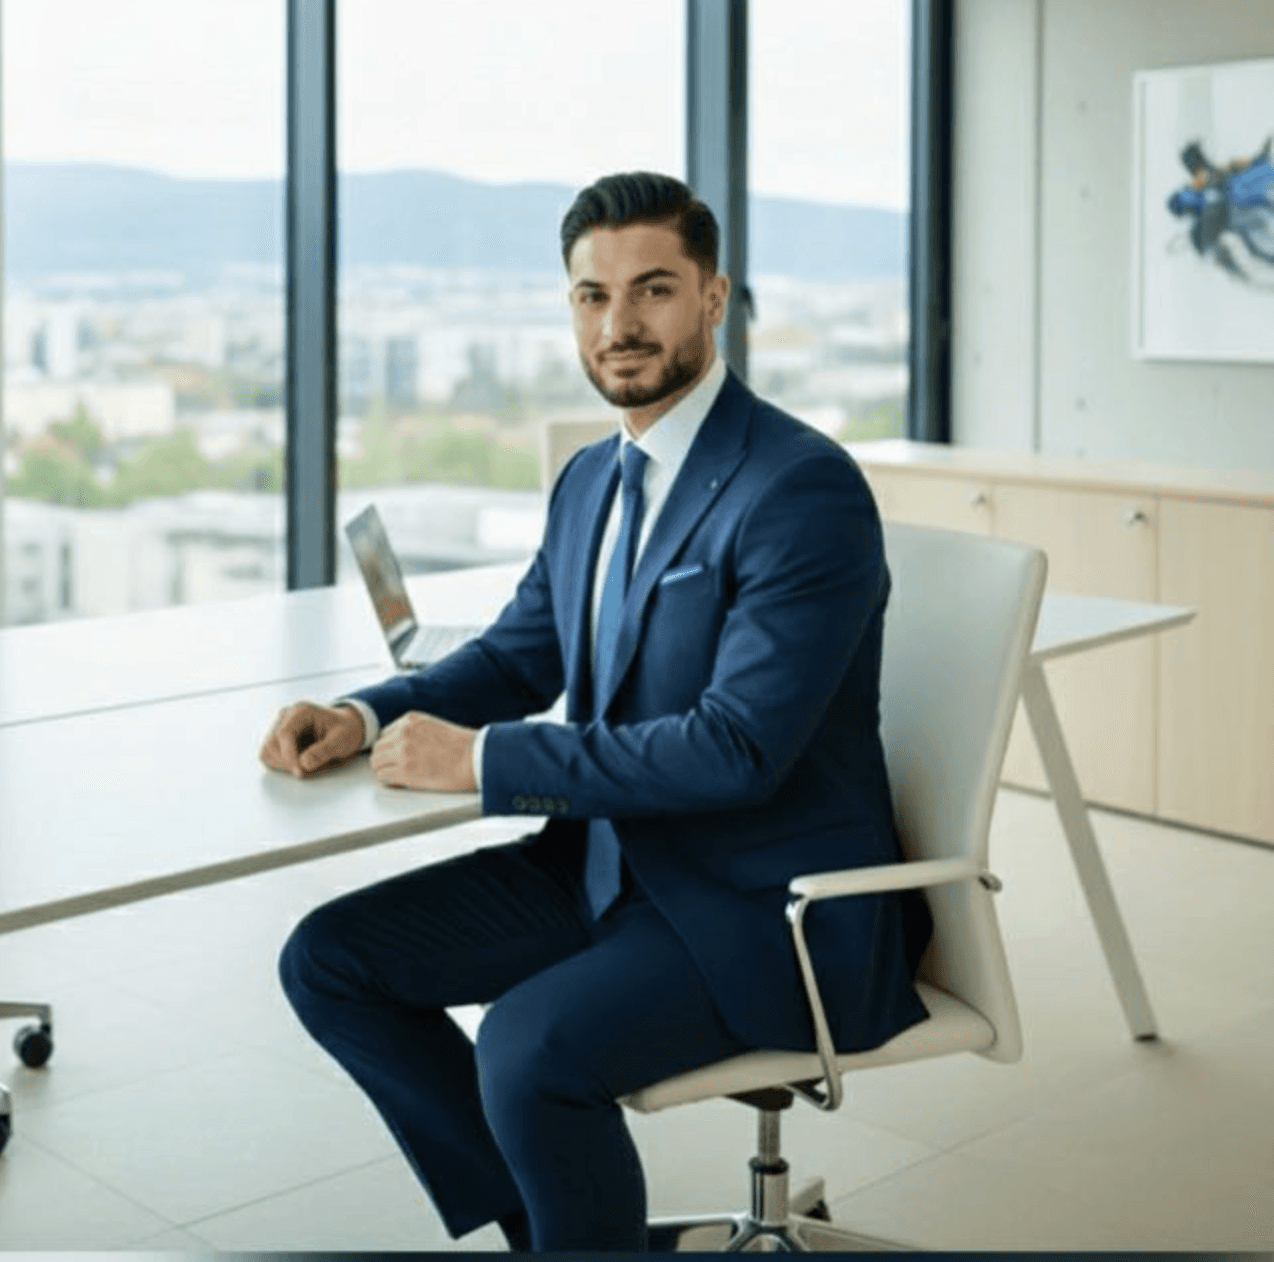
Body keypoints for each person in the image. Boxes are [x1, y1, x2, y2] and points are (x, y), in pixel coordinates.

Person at [260, 171, 932, 1253]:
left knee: (524, 1047)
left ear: (713, 299)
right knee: (329, 959)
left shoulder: (797, 487)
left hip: (764, 903)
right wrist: (360, 709)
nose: (618, 324)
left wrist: (483, 763)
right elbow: (517, 654)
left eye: (652, 289)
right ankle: (565, 1237)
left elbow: (736, 748)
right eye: (589, 295)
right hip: (607, 864)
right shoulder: (589, 477)